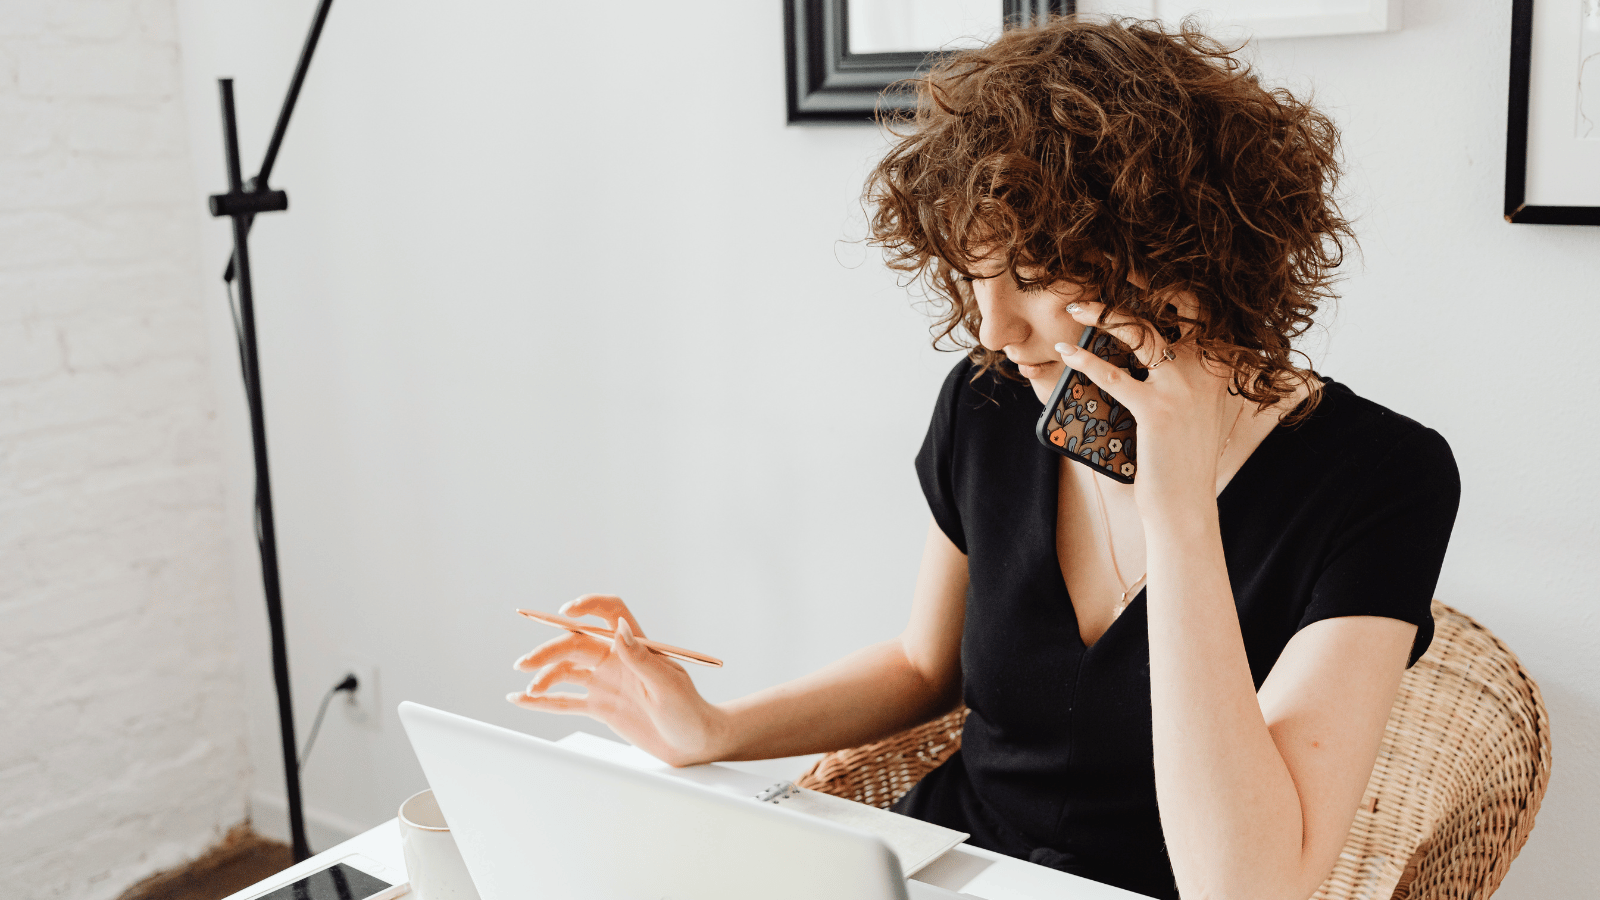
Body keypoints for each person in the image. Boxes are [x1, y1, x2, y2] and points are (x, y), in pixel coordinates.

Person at [505, 16, 1459, 900]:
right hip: (941, 869)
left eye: (1034, 278)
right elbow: (927, 667)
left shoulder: (1382, 480)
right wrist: (716, 730)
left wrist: (1178, 512)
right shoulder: (990, 401)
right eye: (974, 278)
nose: (996, 330)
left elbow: (1249, 884)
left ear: (1184, 254)